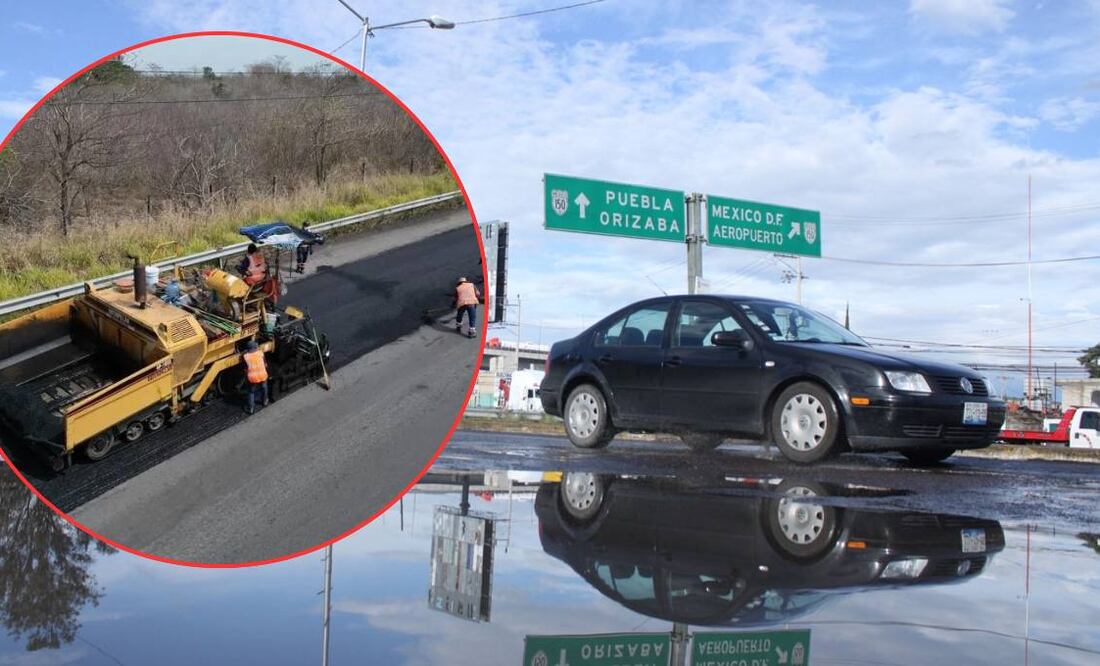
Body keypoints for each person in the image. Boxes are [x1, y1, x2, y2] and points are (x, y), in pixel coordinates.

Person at [242, 340, 269, 414]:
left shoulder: (245, 356)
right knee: (264, 387)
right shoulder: (260, 353)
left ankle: (251, 409)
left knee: (251, 392)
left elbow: (245, 369)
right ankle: (265, 401)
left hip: (252, 378)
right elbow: (266, 365)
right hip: (262, 375)